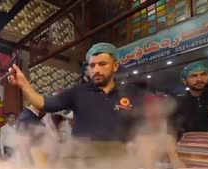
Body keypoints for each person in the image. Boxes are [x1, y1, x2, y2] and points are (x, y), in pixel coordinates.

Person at [8, 42, 140, 159]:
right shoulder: (78, 92)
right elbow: (44, 103)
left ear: (115, 66)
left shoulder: (129, 94)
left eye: (102, 64)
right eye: (92, 66)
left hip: (119, 166)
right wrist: (23, 83)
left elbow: (140, 130)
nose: (96, 70)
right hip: (83, 167)